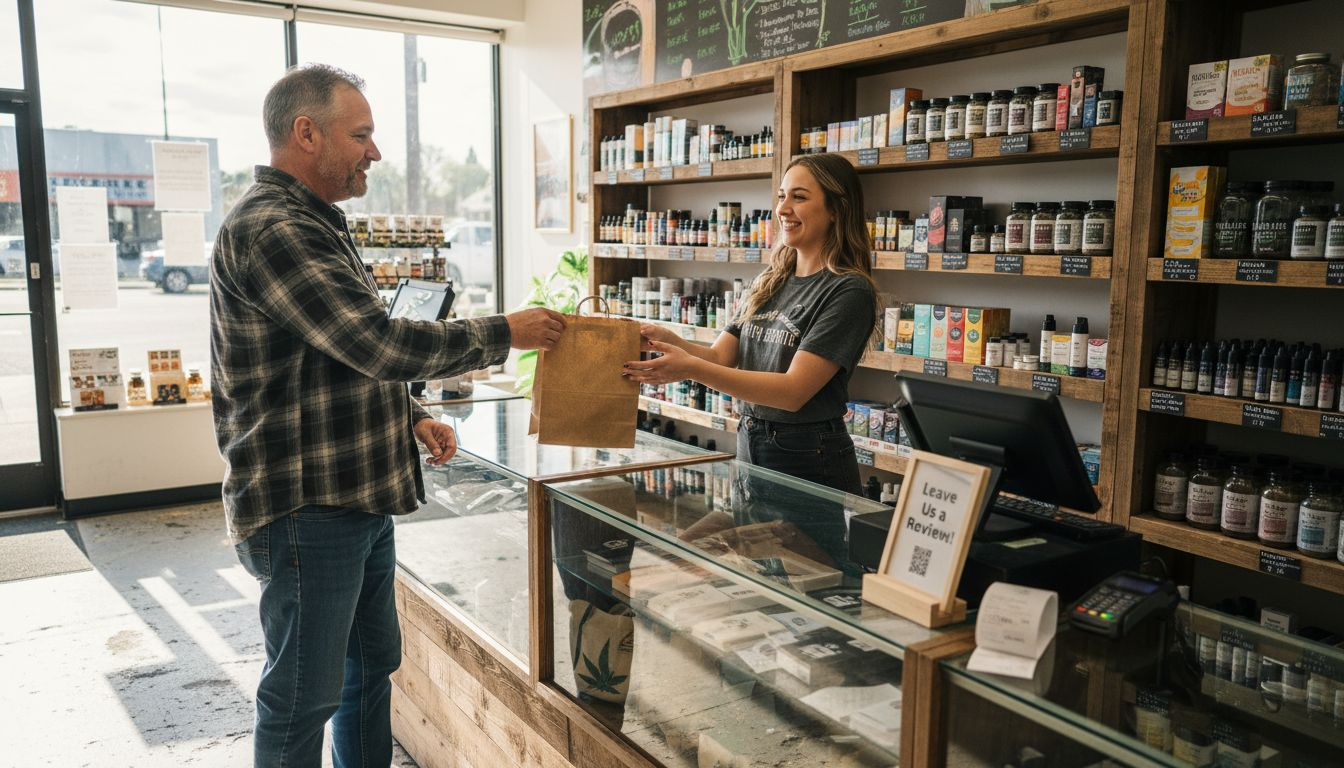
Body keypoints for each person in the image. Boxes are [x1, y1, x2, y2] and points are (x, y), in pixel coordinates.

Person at [210, 63, 565, 768]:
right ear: (305, 133)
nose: (375, 151)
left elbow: (332, 355)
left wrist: (405, 416)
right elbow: (374, 342)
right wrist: (504, 332)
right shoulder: (274, 228)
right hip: (307, 509)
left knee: (371, 668)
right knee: (303, 696)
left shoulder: (318, 222)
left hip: (355, 500)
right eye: (361, 134)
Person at [623, 153, 879, 495]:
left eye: (799, 197)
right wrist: (664, 339)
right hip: (751, 436)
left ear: (837, 210)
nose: (783, 209)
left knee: (807, 551)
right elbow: (720, 357)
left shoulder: (848, 290)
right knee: (757, 546)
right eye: (782, 196)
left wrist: (689, 369)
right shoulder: (770, 280)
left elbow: (792, 393)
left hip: (808, 451)